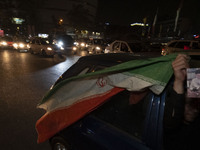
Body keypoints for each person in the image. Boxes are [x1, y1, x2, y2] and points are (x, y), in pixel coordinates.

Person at [163, 54, 200, 150]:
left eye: (193, 105)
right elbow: (171, 122)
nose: (192, 110)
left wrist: (191, 74)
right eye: (185, 104)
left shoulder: (195, 127)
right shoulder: (173, 132)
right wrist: (179, 81)